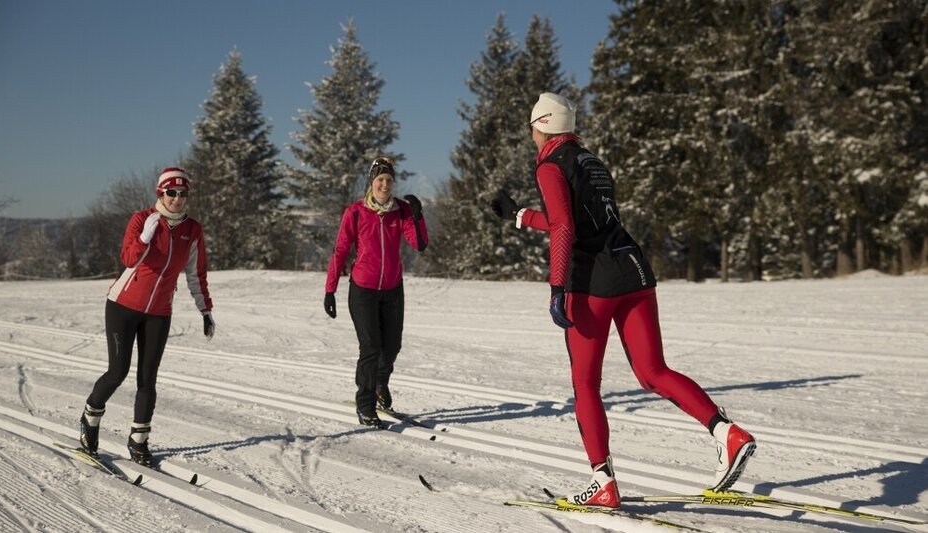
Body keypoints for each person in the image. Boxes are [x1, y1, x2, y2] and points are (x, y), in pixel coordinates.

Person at [490, 93, 756, 508]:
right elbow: (580, 219)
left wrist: (557, 286)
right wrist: (521, 216)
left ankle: (603, 482)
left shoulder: (549, 163)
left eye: (531, 128)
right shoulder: (590, 160)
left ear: (540, 125)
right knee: (653, 371)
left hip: (592, 283)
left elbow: (564, 227)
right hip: (634, 270)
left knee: (585, 384)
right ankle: (727, 432)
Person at [79, 167, 215, 466]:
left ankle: (138, 440)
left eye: (183, 194)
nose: (178, 199)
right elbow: (128, 259)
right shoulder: (142, 219)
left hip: (159, 312)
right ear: (160, 193)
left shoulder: (192, 229)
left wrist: (205, 309)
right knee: (118, 372)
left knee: (147, 379)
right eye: (172, 193)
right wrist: (145, 235)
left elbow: (196, 273)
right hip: (123, 307)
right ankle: (90, 419)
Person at [324, 157, 428, 427]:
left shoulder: (401, 210)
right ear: (372, 182)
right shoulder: (356, 212)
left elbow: (419, 244)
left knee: (392, 346)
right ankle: (366, 405)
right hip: (363, 290)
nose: (384, 184)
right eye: (380, 180)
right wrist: (330, 290)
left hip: (393, 289)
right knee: (370, 348)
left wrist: (418, 216)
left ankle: (381, 384)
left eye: (389, 180)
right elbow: (340, 251)